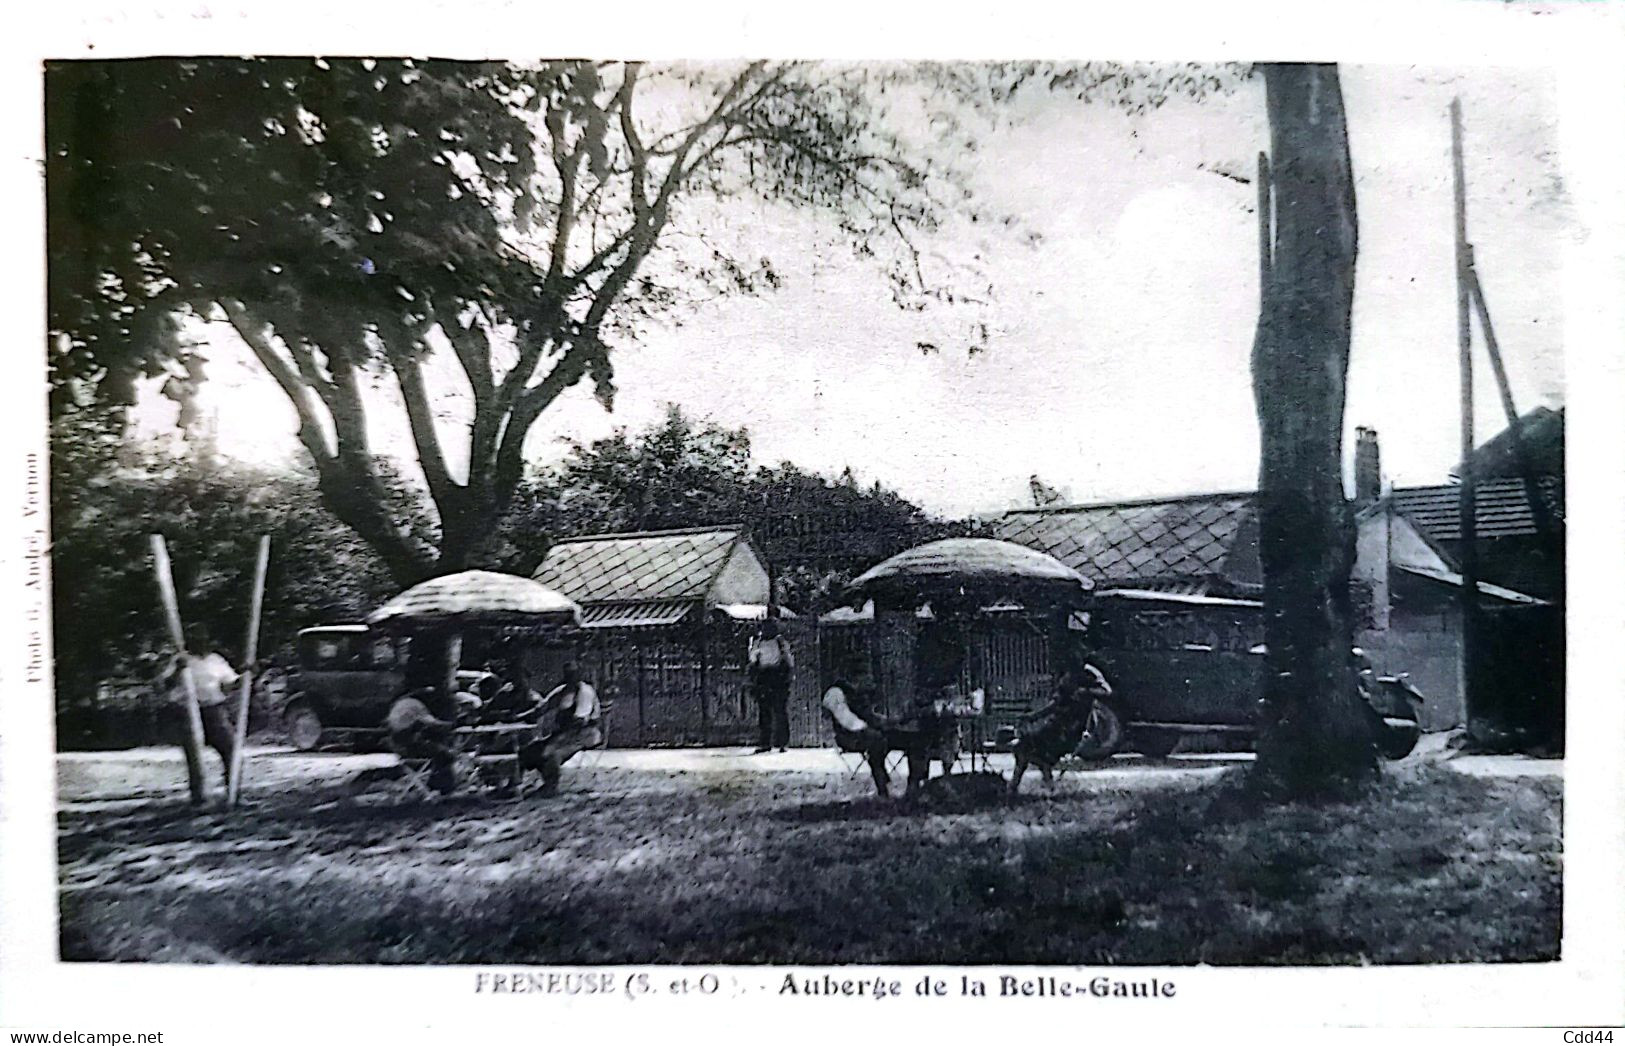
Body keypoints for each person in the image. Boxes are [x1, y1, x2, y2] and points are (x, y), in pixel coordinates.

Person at [1008, 655, 1113, 795]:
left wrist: (1085, 691)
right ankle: (1037, 787)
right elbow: (1054, 705)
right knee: (1024, 747)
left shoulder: (1089, 674)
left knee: (1027, 750)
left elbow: (1107, 691)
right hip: (1056, 726)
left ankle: (1025, 786)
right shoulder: (1067, 678)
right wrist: (1033, 716)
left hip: (1072, 730)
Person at [520, 662, 602, 797]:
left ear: (579, 674)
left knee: (552, 753)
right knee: (528, 751)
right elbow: (542, 708)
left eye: (573, 673)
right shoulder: (561, 691)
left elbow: (579, 720)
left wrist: (555, 739)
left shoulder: (584, 692)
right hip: (562, 734)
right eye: (568, 673)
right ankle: (514, 786)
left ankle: (551, 787)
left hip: (584, 734)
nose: (570, 677)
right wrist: (520, 716)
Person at [748, 617, 795, 753]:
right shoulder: (758, 643)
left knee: (780, 711)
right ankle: (765, 742)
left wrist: (787, 676)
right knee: (764, 712)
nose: (766, 631)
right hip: (764, 678)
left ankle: (782, 743)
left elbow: (788, 660)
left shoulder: (780, 642)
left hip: (777, 678)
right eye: (765, 628)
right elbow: (753, 660)